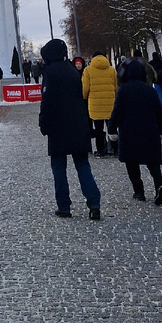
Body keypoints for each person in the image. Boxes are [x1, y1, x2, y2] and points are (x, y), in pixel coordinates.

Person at [38, 39, 101, 220]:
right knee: (82, 165)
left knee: (59, 167)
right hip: (77, 124)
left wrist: (44, 123)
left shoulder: (50, 73)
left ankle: (64, 206)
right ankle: (94, 203)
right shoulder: (73, 71)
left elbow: (47, 101)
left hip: (58, 126)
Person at [108, 61, 162, 204]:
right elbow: (159, 112)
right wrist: (161, 129)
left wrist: (111, 130)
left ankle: (139, 192)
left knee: (131, 162)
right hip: (149, 130)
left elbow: (116, 111)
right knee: (153, 162)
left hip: (129, 131)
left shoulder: (123, 90)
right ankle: (159, 185)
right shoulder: (149, 90)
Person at [82, 54, 117, 156]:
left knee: (98, 129)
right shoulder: (112, 70)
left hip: (95, 104)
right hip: (110, 103)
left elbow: (85, 88)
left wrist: (85, 97)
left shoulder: (88, 70)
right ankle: (115, 149)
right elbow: (116, 86)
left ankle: (100, 151)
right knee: (112, 128)